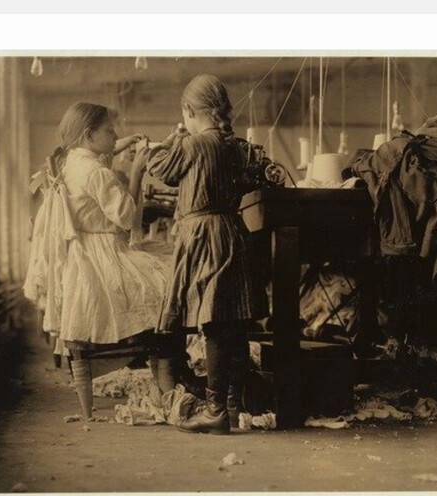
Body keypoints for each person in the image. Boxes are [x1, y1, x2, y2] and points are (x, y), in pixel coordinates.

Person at [25, 101, 167, 421]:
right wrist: (136, 172)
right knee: (167, 282)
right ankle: (171, 368)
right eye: (109, 130)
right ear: (89, 135)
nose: (115, 133)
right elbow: (127, 217)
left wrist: (123, 144)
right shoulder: (96, 171)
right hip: (103, 255)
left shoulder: (72, 161)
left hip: (80, 255)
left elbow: (99, 157)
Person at [145, 74, 268, 435]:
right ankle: (230, 403)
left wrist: (170, 140)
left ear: (188, 110)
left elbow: (159, 170)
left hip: (203, 234)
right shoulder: (238, 147)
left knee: (214, 321)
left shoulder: (193, 145)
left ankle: (215, 411)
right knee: (231, 321)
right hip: (232, 230)